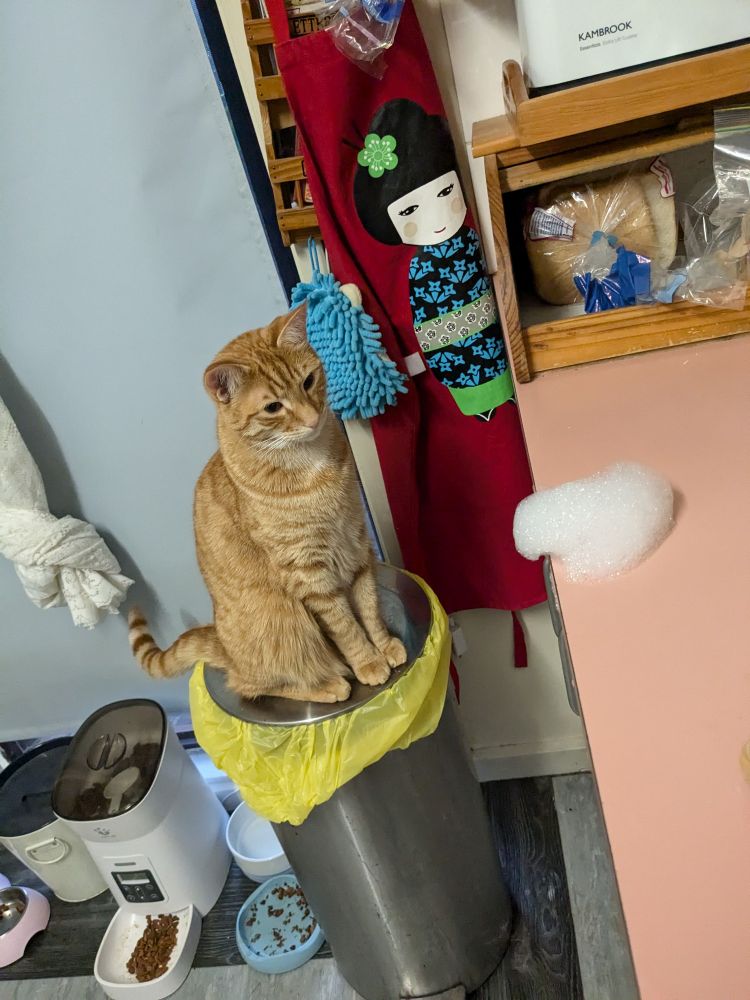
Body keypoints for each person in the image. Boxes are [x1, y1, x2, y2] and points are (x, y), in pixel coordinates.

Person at [353, 98, 513, 420]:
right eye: (410, 211)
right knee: (472, 396)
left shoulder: (469, 238)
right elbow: (423, 315)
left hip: (494, 336)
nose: (436, 217)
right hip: (449, 350)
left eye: (444, 192)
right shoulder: (419, 267)